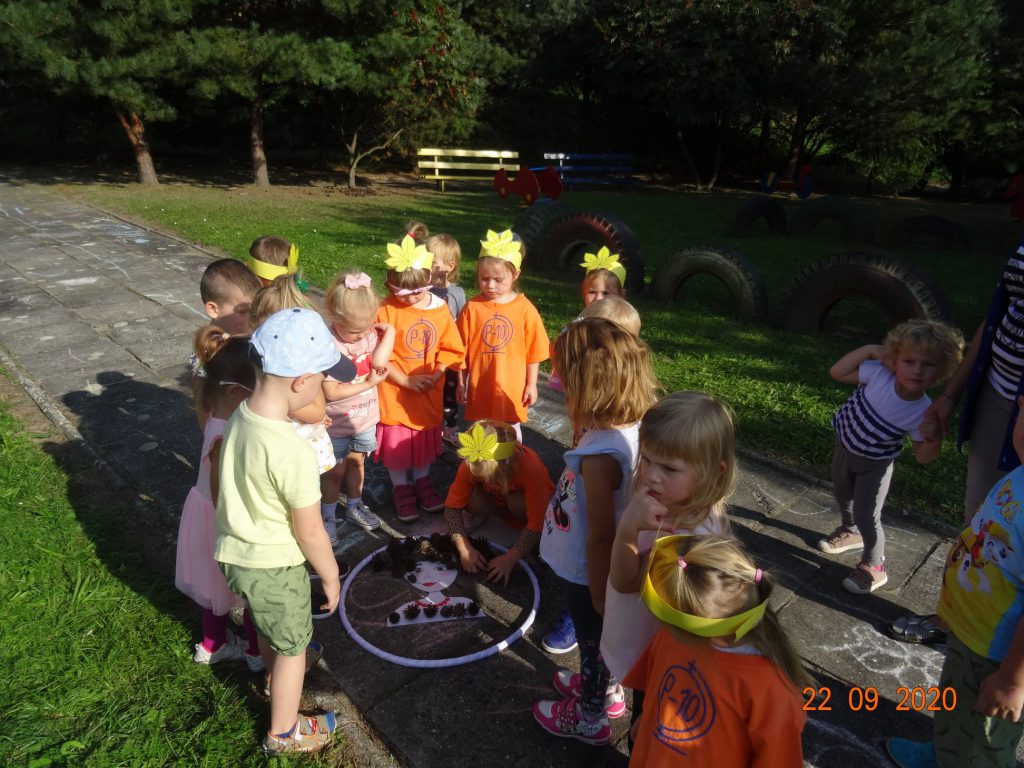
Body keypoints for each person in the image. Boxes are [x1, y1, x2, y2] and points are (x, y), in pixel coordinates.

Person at [214, 307, 355, 754]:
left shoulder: (241, 416)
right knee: (294, 647)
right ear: (301, 382)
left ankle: (274, 674)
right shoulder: (292, 450)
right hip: (275, 566)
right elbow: (310, 530)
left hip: (237, 555)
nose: (323, 386)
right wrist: (330, 575)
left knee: (268, 623)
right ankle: (283, 732)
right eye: (322, 378)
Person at [533, 317, 659, 746]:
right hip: (601, 567)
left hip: (589, 571)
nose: (561, 388)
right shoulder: (631, 427)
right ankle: (608, 691)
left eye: (566, 380)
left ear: (588, 387)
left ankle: (590, 717)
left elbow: (603, 534)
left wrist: (601, 594)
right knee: (603, 642)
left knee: (593, 642)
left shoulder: (601, 455)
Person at [893, 243, 1024, 642]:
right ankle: (955, 620)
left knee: (1013, 538)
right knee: (982, 520)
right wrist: (951, 394)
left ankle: (1004, 653)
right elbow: (1002, 313)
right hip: (998, 395)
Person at [886, 396, 1024, 768]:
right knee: (959, 705)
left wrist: (1012, 680)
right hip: (972, 633)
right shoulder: (1021, 471)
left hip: (999, 657)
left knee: (984, 737)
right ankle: (946, 751)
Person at [600, 391, 734, 738]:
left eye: (669, 468)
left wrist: (628, 529)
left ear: (713, 472)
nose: (650, 475)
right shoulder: (672, 501)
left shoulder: (684, 540)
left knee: (645, 732)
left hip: (659, 658)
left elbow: (625, 581)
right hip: (650, 646)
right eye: (646, 459)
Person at [613, 534, 809, 766]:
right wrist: (648, 716)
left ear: (692, 626)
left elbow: (778, 759)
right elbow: (657, 681)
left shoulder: (772, 690)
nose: (666, 630)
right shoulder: (675, 636)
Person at [819, 320, 964, 594]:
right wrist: (871, 350)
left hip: (874, 466)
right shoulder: (879, 374)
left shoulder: (923, 412)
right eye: (909, 361)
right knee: (842, 492)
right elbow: (837, 372)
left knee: (867, 515)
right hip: (845, 448)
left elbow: (923, 457)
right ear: (893, 359)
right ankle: (851, 531)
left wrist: (933, 437)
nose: (917, 370)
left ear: (942, 371)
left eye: (928, 365)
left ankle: (874, 566)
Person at [175, 328, 262, 672]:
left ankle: (213, 644)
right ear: (236, 392)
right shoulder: (229, 436)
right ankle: (256, 652)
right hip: (226, 520)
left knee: (214, 588)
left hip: (206, 516)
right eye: (261, 390)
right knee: (253, 591)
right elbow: (223, 492)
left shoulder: (213, 414)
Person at [376, 235, 465, 522]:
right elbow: (377, 354)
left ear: (428, 279)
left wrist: (437, 372)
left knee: (424, 441)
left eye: (416, 291)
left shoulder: (439, 309)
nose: (410, 298)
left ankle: (422, 481)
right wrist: (404, 381)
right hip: (395, 393)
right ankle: (401, 488)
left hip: (428, 392)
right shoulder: (385, 309)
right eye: (402, 292)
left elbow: (452, 348)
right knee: (397, 443)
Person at [320, 268, 396, 537]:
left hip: (363, 420)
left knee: (357, 464)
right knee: (334, 473)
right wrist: (367, 384)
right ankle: (327, 516)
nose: (361, 336)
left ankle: (354, 506)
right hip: (335, 423)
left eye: (367, 328)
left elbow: (379, 362)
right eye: (354, 331)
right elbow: (330, 392)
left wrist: (390, 333)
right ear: (334, 316)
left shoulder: (368, 334)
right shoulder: (329, 345)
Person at [457, 229, 549, 442]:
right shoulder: (472, 307)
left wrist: (531, 384)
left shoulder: (525, 309)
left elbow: (534, 352)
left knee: (511, 434)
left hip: (511, 389)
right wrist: (461, 381)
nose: (490, 285)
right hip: (481, 387)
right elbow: (460, 350)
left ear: (515, 275)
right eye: (484, 278)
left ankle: (513, 461)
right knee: (481, 432)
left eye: (498, 280)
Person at [442, 420, 555, 585]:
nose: (488, 480)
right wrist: (464, 548)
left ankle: (528, 536)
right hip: (498, 501)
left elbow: (538, 522)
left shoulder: (530, 466)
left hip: (524, 505)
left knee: (517, 502)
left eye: (491, 477)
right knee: (473, 501)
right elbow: (452, 507)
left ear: (507, 463)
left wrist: (511, 557)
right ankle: (501, 515)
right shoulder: (474, 459)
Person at [250, 276, 338, 481]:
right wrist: (316, 414)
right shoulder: (274, 388)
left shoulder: (257, 363)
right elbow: (316, 411)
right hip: (295, 454)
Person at [190, 259, 261, 426]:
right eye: (243, 311)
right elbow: (202, 406)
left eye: (255, 310)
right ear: (214, 309)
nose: (253, 318)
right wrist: (212, 435)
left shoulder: (247, 336)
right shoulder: (208, 351)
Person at [426, 233, 466, 447]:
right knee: (430, 393)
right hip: (428, 353)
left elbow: (461, 326)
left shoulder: (457, 293)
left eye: (432, 263)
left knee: (449, 394)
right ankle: (430, 429)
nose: (428, 266)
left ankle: (449, 429)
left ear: (450, 266)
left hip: (448, 355)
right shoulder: (422, 289)